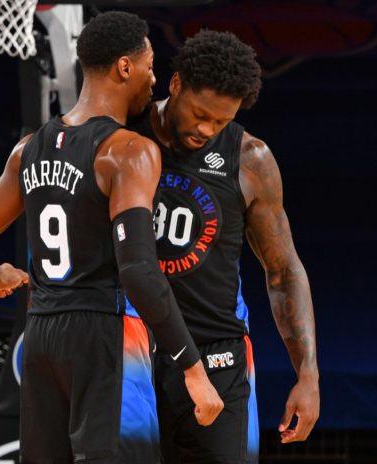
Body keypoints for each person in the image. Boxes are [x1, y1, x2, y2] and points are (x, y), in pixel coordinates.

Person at [0, 11, 223, 464]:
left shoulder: (29, 147)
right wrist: (193, 368)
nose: (154, 78)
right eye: (150, 65)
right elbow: (138, 271)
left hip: (42, 336)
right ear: (124, 67)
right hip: (104, 334)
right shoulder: (128, 151)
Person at [130, 29, 321, 463]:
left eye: (219, 121)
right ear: (175, 83)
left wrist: (307, 373)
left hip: (217, 357)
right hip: (133, 353)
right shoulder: (123, 135)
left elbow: (283, 270)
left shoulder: (250, 159)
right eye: (199, 114)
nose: (205, 129)